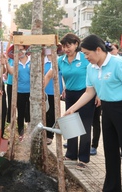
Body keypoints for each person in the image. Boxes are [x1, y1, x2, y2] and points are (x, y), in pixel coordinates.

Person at [65, 34, 122, 191]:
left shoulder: (117, 63)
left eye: (87, 53)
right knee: (110, 152)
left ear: (98, 50)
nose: (85, 57)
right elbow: (89, 92)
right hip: (107, 110)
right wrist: (72, 108)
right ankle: (111, 188)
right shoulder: (90, 67)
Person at [44, 33, 95, 169]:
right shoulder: (61, 60)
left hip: (86, 94)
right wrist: (40, 90)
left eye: (69, 46)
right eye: (65, 46)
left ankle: (83, 158)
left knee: (84, 126)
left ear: (76, 44)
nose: (67, 49)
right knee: (71, 124)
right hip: (70, 95)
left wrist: (98, 95)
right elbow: (49, 75)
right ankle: (71, 153)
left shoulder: (85, 59)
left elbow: (95, 75)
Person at [5, 44, 30, 141]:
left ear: (25, 49)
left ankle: (30, 131)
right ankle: (21, 131)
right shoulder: (15, 62)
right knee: (21, 111)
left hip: (31, 91)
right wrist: (6, 63)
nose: (20, 52)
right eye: (17, 50)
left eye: (21, 49)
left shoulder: (31, 61)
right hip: (19, 91)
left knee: (30, 112)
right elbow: (11, 72)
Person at [44, 54, 63, 145]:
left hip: (54, 91)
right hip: (44, 91)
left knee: (52, 114)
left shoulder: (59, 60)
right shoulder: (42, 60)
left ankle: (50, 135)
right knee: (44, 113)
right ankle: (43, 133)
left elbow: (63, 75)